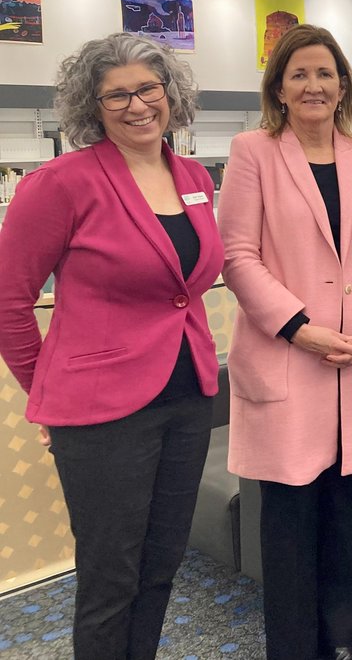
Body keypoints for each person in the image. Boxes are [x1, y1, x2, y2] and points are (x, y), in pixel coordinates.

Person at [0, 35, 222, 660]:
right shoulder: (59, 183)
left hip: (187, 396)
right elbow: (9, 302)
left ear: (169, 95)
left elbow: (187, 288)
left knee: (161, 564)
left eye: (147, 89)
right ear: (92, 107)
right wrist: (48, 392)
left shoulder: (194, 176)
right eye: (116, 94)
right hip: (100, 411)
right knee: (110, 577)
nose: (136, 105)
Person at [219, 24, 352, 660]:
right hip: (289, 356)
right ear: (277, 86)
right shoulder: (252, 152)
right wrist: (300, 328)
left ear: (343, 84)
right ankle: (294, 646)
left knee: (347, 508)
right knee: (291, 514)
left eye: (324, 73)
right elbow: (238, 258)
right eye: (298, 73)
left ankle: (341, 635)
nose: (313, 85)